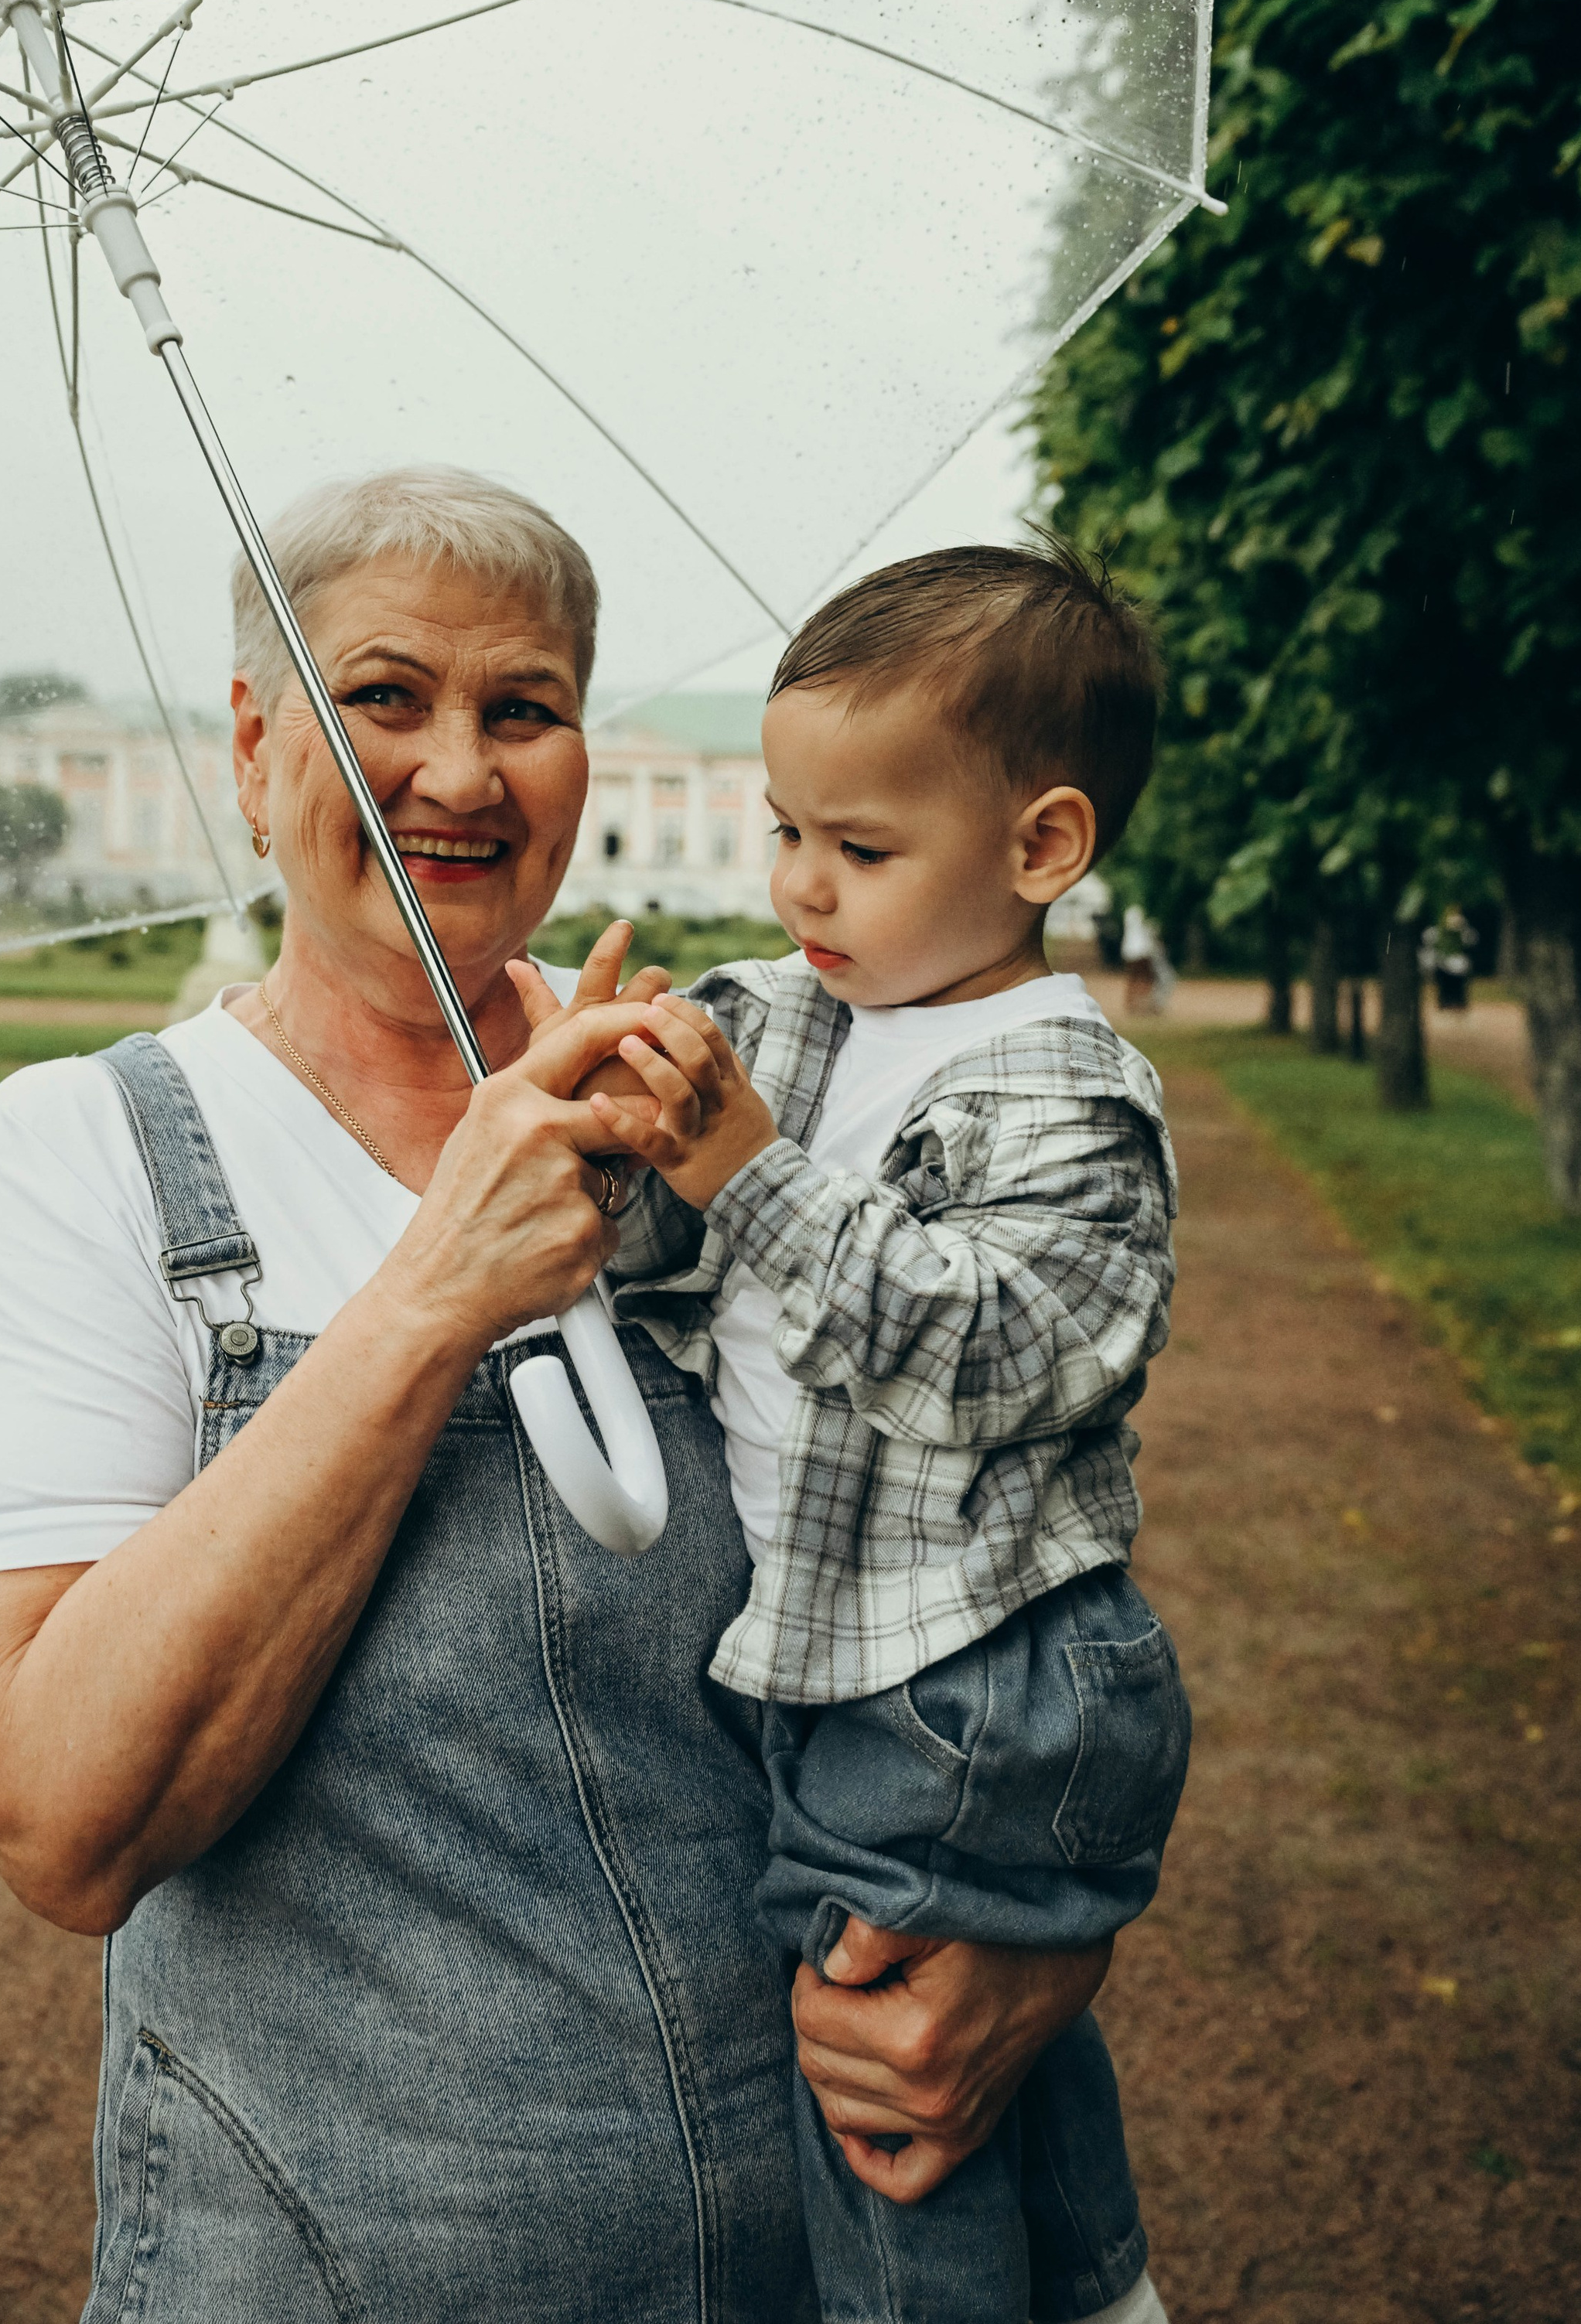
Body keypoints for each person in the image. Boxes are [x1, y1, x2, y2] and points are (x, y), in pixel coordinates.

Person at [0, 469, 1112, 2324]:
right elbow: (64, 1820)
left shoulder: (713, 1100)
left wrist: (1035, 1945)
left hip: (808, 2254)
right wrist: (432, 1291)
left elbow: (1008, 1565)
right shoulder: (83, 1156)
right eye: (382, 697)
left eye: (521, 709)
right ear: (249, 743)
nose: (457, 772)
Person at [570, 541, 1188, 2324]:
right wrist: (609, 1102)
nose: (798, 885)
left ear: (1040, 848)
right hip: (871, 1649)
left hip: (972, 1672)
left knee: (873, 2072)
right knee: (978, 2057)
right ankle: (1094, 2292)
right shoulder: (794, 1018)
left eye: (857, 849)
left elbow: (988, 1352)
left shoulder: (1069, 1095)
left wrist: (743, 1173)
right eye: (783, 831)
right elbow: (668, 1236)